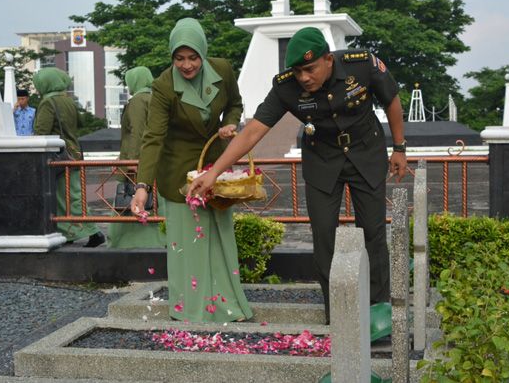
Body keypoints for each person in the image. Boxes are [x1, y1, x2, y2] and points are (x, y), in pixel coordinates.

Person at [188, 27, 408, 323]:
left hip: (365, 154)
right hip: (322, 161)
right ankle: (339, 314)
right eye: (297, 71)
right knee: (323, 237)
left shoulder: (362, 64)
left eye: (310, 69)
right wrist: (214, 173)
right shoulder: (285, 87)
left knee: (373, 233)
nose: (303, 77)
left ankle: (378, 312)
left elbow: (391, 100)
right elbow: (253, 130)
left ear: (328, 59)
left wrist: (399, 148)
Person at [131, 18, 252, 323]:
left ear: (203, 52)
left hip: (215, 167)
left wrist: (230, 123)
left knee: (220, 236)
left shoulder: (223, 70)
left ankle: (226, 304)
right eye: (179, 58)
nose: (186, 65)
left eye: (193, 57)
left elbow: (235, 104)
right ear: (171, 57)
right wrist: (142, 186)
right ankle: (190, 308)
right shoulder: (162, 87)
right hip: (178, 171)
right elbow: (153, 138)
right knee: (188, 241)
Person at [33, 67, 105, 248]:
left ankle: (94, 232)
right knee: (69, 196)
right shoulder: (68, 100)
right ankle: (69, 233)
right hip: (74, 153)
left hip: (60, 156)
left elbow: (41, 131)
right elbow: (81, 123)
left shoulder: (48, 103)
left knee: (68, 197)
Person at [108, 66, 166, 248]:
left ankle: (125, 242)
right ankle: (161, 239)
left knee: (129, 200)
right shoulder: (155, 98)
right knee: (154, 201)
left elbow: (136, 133)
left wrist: (131, 161)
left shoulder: (137, 101)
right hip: (155, 160)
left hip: (137, 162)